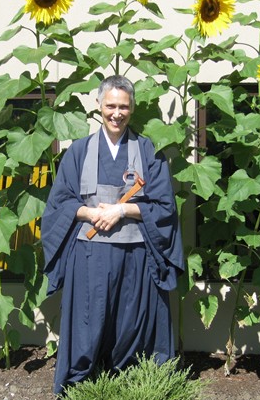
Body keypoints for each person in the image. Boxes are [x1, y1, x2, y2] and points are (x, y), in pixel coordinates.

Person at [41, 75, 185, 394]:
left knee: (132, 322)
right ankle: (84, 382)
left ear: (132, 108)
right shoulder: (79, 151)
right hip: (90, 254)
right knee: (89, 322)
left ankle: (134, 382)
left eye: (123, 106)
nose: (116, 113)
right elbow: (60, 203)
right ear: (99, 106)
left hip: (137, 253)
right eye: (110, 106)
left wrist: (121, 211)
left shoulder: (149, 151)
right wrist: (91, 213)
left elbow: (164, 207)